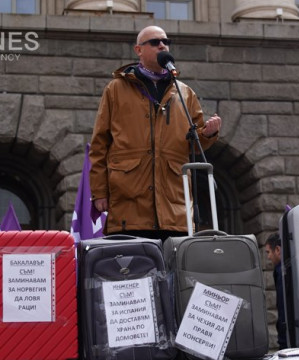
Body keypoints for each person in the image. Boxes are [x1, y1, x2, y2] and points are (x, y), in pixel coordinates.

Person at [89, 25, 221, 241]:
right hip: (129, 203)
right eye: (155, 42)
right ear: (138, 50)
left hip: (175, 207)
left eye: (166, 41)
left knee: (173, 269)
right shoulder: (115, 89)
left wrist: (207, 134)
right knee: (136, 271)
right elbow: (99, 144)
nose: (162, 45)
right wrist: (99, 192)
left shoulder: (184, 92)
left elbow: (194, 144)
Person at [265, 232, 287, 349]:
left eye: (268, 252)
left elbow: (283, 306)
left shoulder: (281, 271)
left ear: (277, 250)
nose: (268, 257)